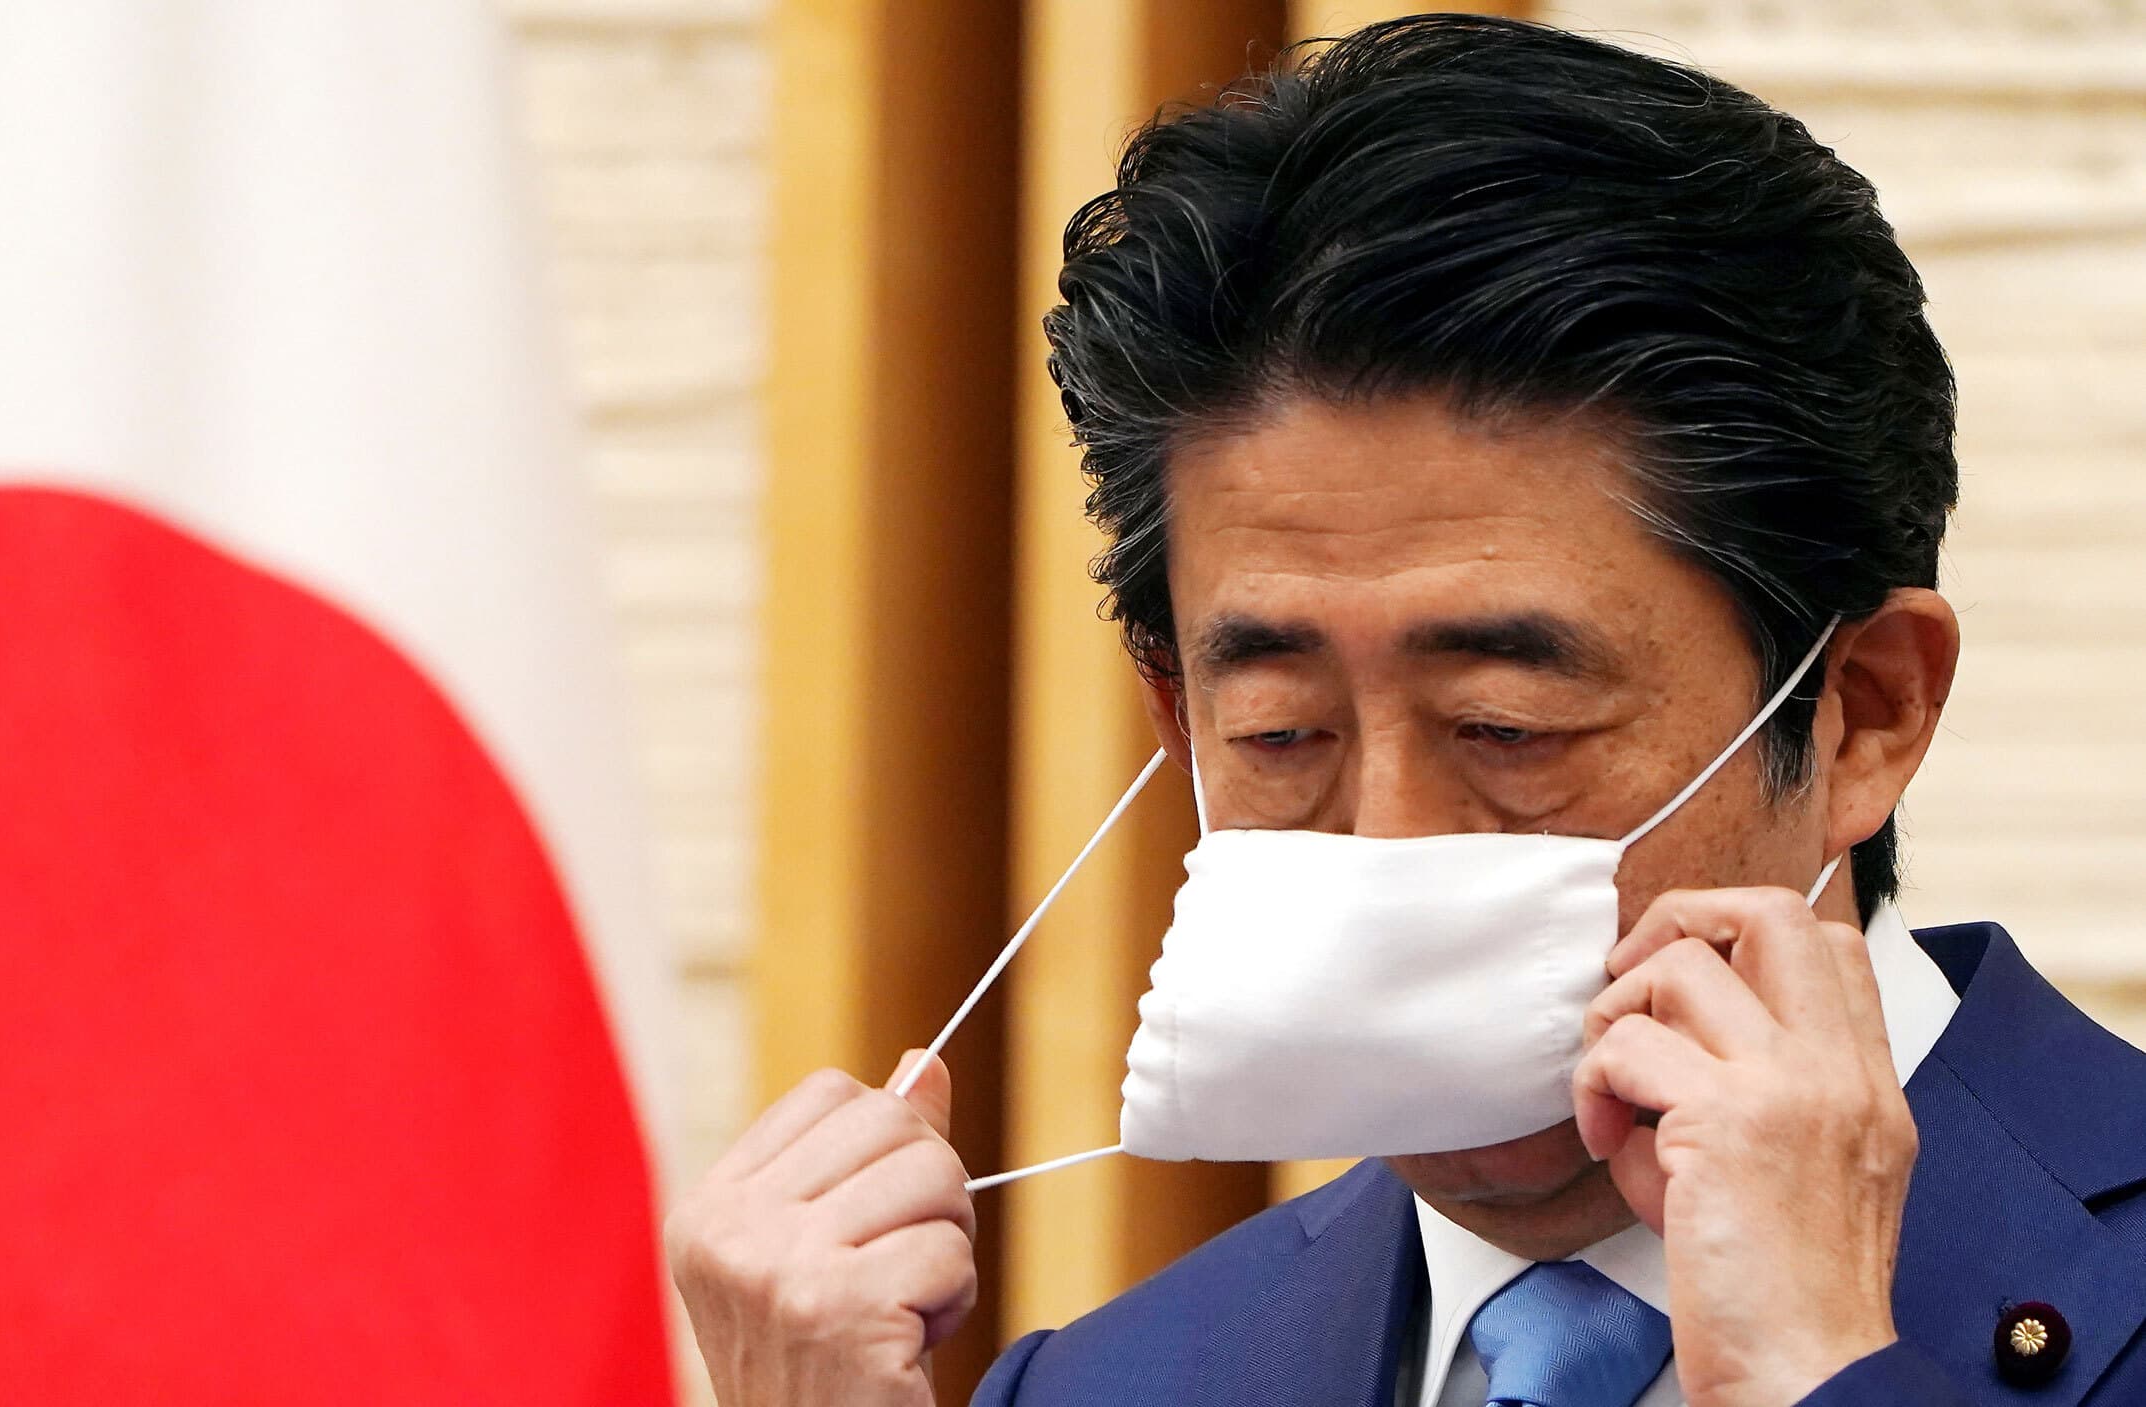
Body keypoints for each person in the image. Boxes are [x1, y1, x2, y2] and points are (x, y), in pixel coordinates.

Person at [664, 15, 2146, 1406]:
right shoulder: (1111, 1381)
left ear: (1863, 715)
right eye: (1279, 734)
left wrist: (1816, 1373)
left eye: (1507, 727)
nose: (1389, 842)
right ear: (1179, 729)